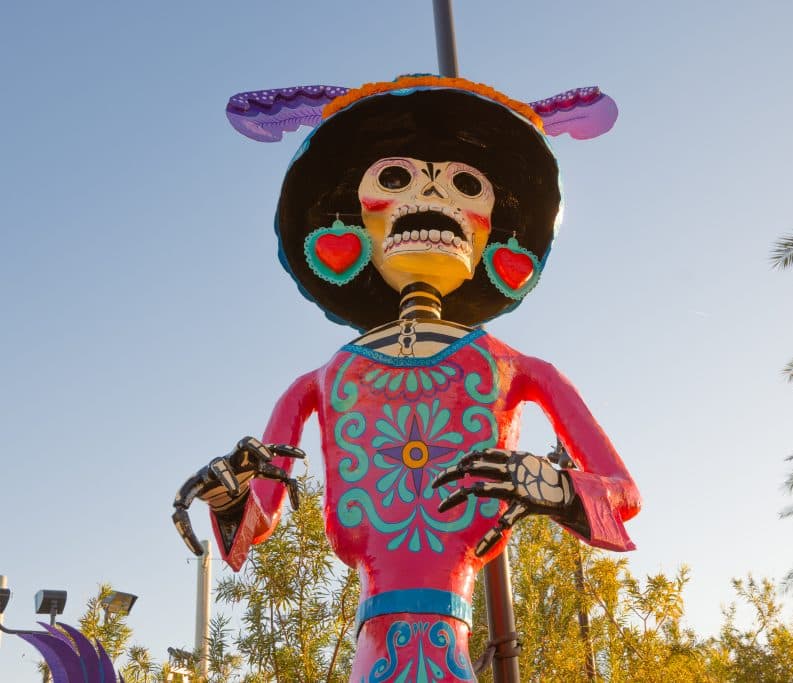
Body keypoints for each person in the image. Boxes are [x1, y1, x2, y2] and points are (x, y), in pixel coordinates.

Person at [173, 76, 639, 682]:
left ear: (492, 226)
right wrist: (228, 496)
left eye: (463, 185)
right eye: (395, 179)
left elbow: (622, 494)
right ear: (351, 220)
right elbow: (252, 530)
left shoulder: (519, 369)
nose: (430, 201)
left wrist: (557, 489)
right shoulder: (319, 381)